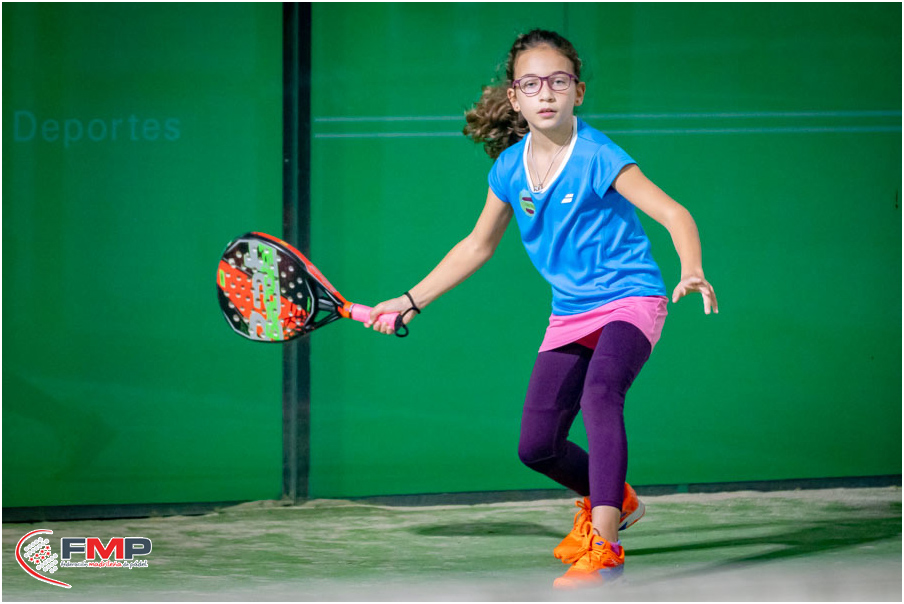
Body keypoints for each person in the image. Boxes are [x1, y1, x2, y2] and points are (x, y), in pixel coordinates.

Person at [365, 29, 718, 588]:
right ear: (515, 97)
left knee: (601, 394)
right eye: (531, 84)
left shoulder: (599, 156)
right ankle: (619, 499)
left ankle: (605, 544)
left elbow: (675, 214)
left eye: (558, 81)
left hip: (630, 296)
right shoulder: (509, 169)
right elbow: (476, 245)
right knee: (537, 448)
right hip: (571, 311)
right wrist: (411, 300)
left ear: (578, 91)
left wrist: (690, 268)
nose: (546, 93)